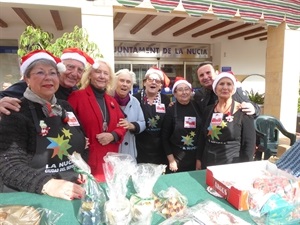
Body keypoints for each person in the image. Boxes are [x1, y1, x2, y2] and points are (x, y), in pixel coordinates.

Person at [0, 50, 88, 200]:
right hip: (33, 197)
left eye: (53, 73)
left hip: (71, 190)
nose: (48, 77)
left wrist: (81, 168)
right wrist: (49, 185)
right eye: (40, 73)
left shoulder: (66, 107)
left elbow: (80, 141)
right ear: (26, 79)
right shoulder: (15, 111)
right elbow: (8, 166)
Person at [68, 58, 126, 182]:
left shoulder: (112, 101)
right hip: (86, 161)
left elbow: (122, 125)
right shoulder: (77, 97)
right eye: (98, 72)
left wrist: (113, 135)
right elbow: (66, 126)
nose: (102, 76)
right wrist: (78, 139)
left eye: (106, 73)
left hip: (109, 161)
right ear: (89, 75)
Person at [0, 48, 89, 115]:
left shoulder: (75, 91)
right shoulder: (32, 85)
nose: (74, 73)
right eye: (70, 67)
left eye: (80, 70)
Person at [197, 72, 256, 169]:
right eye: (221, 84)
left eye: (229, 84)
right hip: (208, 162)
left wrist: (246, 167)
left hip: (231, 165)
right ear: (215, 88)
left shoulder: (244, 112)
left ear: (233, 89)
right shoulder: (208, 110)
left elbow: (249, 145)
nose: (225, 87)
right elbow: (202, 138)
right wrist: (198, 159)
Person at [162, 78, 201, 173]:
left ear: (191, 91)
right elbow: (164, 137)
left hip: (195, 158)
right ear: (175, 94)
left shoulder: (198, 106)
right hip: (177, 159)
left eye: (187, 89)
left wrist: (199, 159)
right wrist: (171, 160)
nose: (184, 92)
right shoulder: (171, 110)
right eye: (180, 90)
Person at [194, 62, 260, 117]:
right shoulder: (199, 95)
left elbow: (250, 105)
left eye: (208, 73)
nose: (205, 77)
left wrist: (254, 109)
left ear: (217, 73)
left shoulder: (232, 91)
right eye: (201, 75)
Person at [134, 67, 170, 165]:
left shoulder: (165, 100)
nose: (153, 82)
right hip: (140, 145)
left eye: (157, 81)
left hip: (159, 146)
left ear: (160, 86)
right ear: (144, 83)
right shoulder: (135, 98)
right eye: (150, 80)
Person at [113, 69, 146, 160]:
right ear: (115, 82)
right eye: (122, 80)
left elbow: (142, 122)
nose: (125, 84)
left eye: (128, 82)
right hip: (112, 151)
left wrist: (131, 125)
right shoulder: (107, 99)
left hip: (129, 152)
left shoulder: (135, 101)